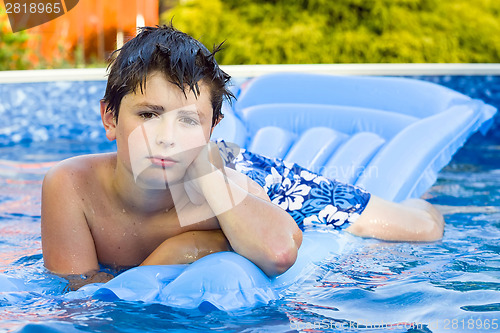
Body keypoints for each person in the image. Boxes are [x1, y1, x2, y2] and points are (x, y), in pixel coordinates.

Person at [41, 24, 444, 290]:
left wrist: (206, 173)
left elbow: (280, 253)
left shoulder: (223, 184)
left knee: (416, 228)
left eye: (187, 121)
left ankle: (422, 203)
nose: (166, 138)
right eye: (148, 115)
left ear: (211, 127)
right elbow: (78, 296)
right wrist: (175, 255)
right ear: (110, 118)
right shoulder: (71, 186)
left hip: (242, 171)